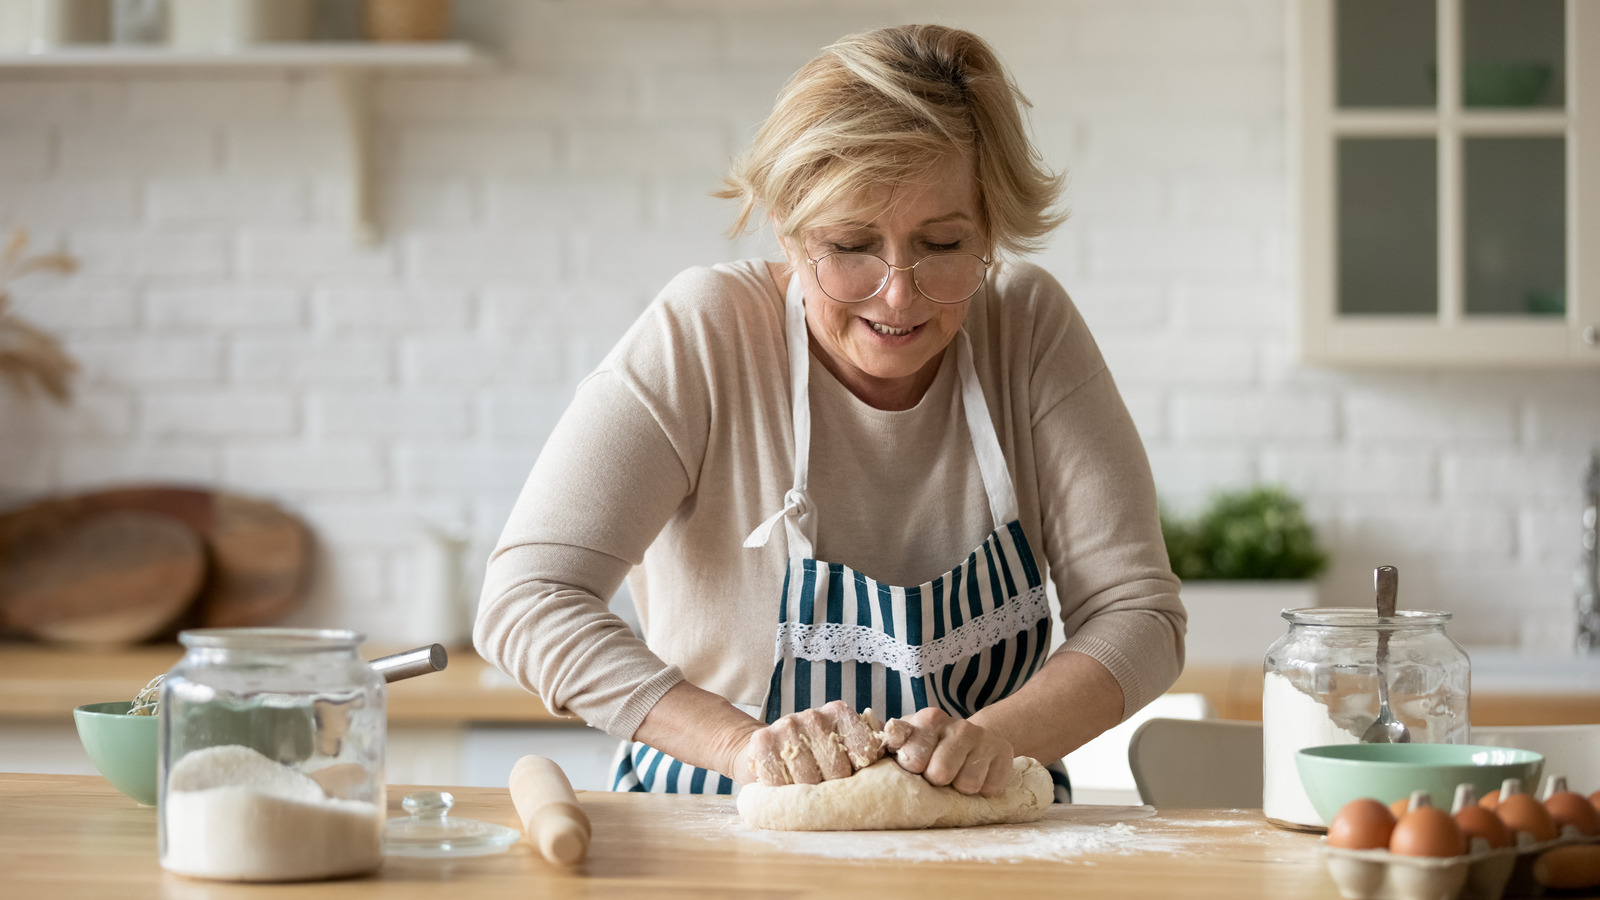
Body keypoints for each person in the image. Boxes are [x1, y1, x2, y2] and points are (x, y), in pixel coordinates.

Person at [474, 23, 1185, 801]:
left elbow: (1139, 616)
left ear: (988, 228)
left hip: (984, 835)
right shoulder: (704, 335)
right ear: (785, 225)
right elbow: (527, 601)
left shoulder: (1027, 330)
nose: (898, 294)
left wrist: (995, 741)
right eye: (850, 245)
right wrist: (742, 746)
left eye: (943, 244)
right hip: (716, 834)